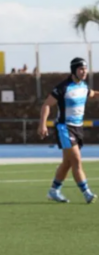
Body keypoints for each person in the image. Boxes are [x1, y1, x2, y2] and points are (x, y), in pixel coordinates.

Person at [39, 57, 97, 203]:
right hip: (64, 128)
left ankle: (54, 191)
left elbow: (93, 94)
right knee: (76, 160)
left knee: (67, 163)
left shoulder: (83, 86)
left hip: (78, 128)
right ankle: (87, 193)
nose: (84, 72)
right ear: (74, 70)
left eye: (85, 69)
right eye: (81, 69)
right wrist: (42, 124)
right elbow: (46, 105)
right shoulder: (63, 87)